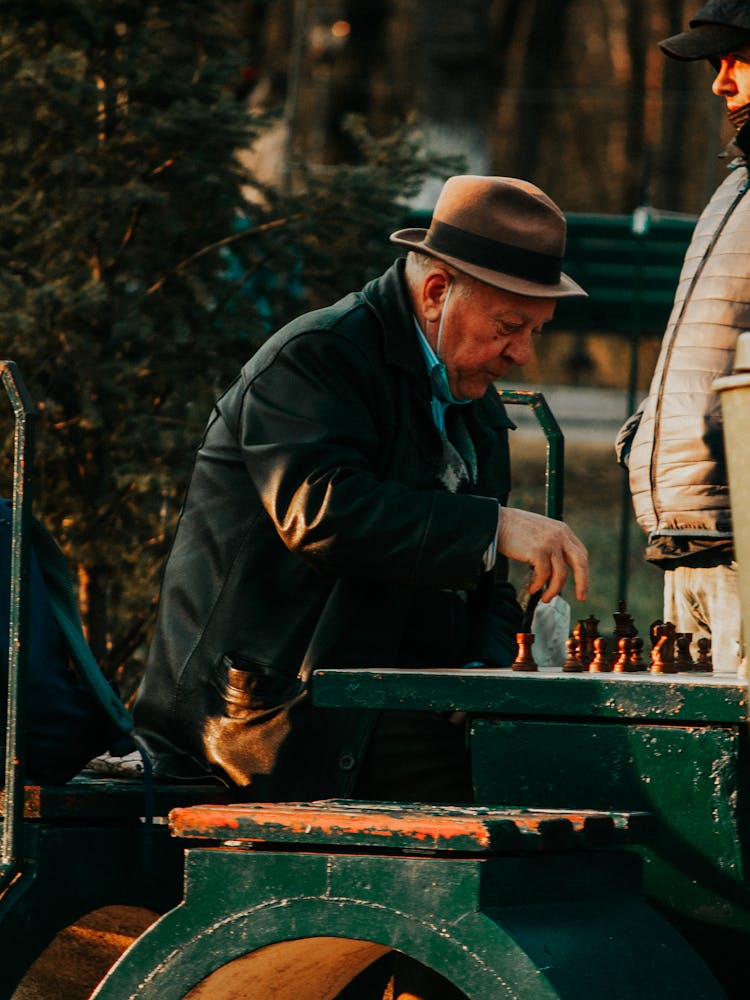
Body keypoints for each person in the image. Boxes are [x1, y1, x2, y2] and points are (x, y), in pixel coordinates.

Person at [133, 174, 589, 805]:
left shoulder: (471, 396)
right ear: (435, 292)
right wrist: (492, 525)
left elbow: (488, 591)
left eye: (536, 330)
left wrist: (484, 678)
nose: (522, 353)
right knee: (520, 790)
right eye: (511, 325)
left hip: (379, 697)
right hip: (264, 714)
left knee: (552, 759)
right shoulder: (317, 356)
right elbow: (321, 514)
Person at [617, 0, 750, 679]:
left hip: (740, 542)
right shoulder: (736, 188)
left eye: (737, 61)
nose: (719, 83)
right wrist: (645, 435)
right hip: (693, 537)